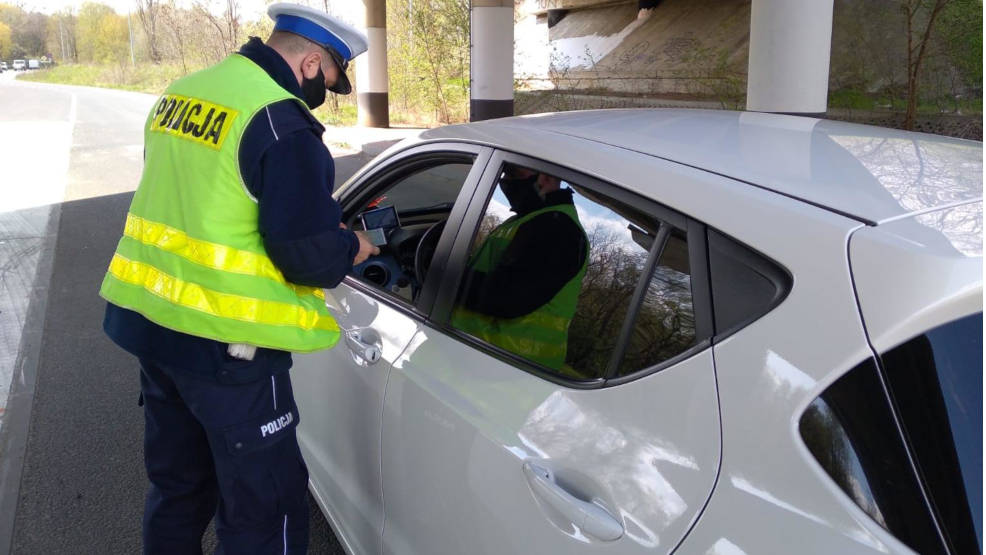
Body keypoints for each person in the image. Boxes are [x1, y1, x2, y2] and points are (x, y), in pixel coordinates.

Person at [98, 3, 379, 553]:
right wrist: (351, 243)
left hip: (154, 326)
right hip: (231, 352)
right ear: (312, 62)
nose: (323, 92)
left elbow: (209, 199)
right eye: (328, 80)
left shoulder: (187, 89)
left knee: (179, 489)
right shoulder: (282, 122)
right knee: (263, 507)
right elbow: (310, 260)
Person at [452, 164, 589, 371]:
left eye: (513, 173)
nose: (506, 181)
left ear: (547, 176)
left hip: (498, 371)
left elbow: (505, 297)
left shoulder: (556, 227)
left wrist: (445, 274)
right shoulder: (527, 221)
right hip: (480, 360)